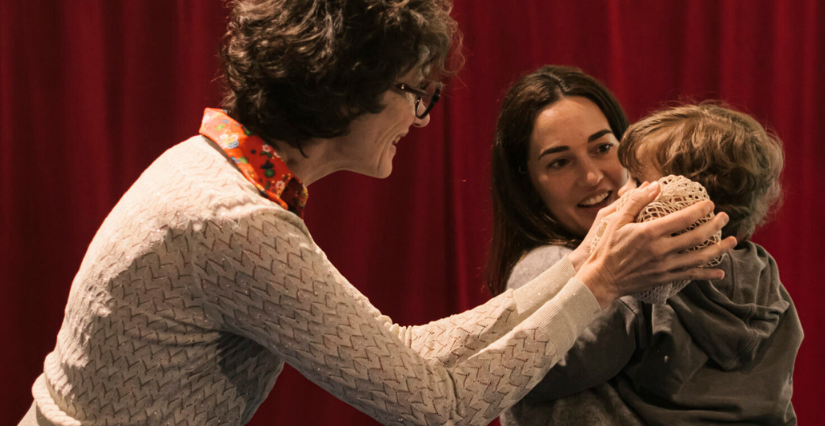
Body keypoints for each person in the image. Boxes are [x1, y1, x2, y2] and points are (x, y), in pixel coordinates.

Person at [20, 2, 733, 425]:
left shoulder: (214, 170)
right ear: (347, 85)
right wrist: (599, 284)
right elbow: (435, 404)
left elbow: (405, 353)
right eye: (413, 91)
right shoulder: (233, 224)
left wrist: (585, 260)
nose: (420, 118)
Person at [492, 93, 801, 424]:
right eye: (559, 162)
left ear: (685, 199)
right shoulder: (767, 276)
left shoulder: (645, 282)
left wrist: (504, 363)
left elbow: (555, 372)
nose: (623, 193)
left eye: (638, 182)